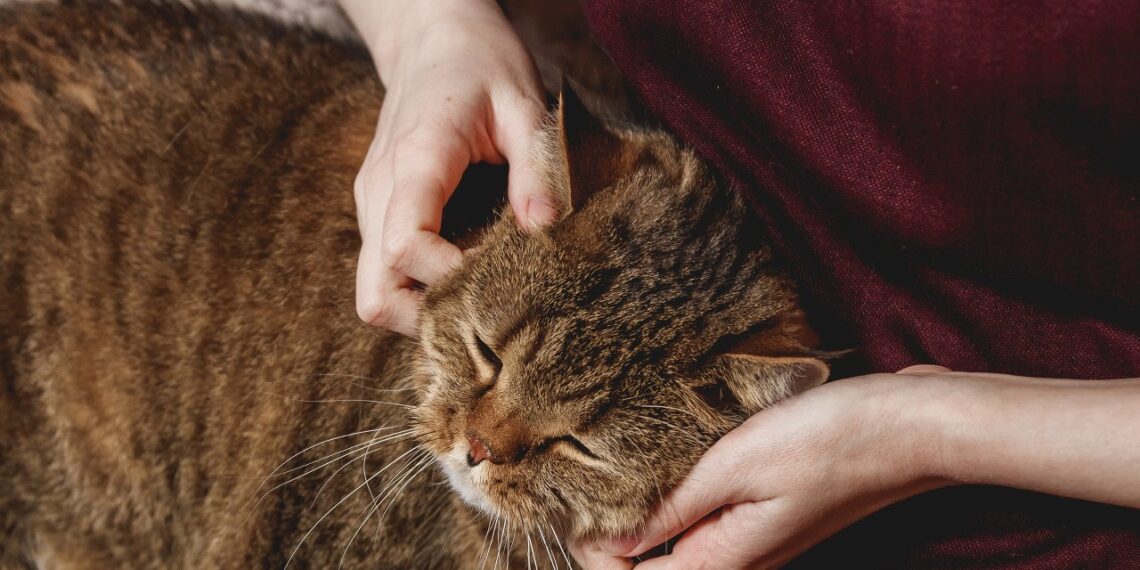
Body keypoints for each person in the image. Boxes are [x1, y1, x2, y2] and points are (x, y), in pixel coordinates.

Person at [338, 1, 1140, 568]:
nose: (481, 447)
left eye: (570, 443)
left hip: (1033, 482)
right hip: (634, 180)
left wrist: (931, 429)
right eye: (487, 355)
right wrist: (431, 26)